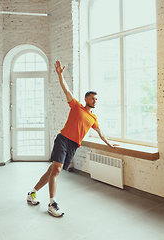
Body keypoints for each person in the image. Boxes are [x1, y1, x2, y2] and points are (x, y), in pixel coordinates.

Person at [27, 60, 118, 217]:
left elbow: (100, 132)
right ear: (86, 99)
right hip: (63, 139)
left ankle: (32, 192)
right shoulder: (76, 106)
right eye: (92, 98)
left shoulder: (93, 118)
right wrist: (60, 74)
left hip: (74, 145)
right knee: (57, 169)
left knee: (52, 170)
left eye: (96, 99)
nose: (94, 101)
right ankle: (52, 204)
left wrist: (109, 143)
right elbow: (66, 89)